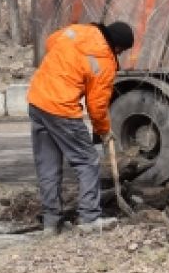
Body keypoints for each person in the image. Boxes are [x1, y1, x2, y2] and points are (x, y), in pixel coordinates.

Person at [26, 20, 135, 235]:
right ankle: (89, 218)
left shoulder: (77, 31)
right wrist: (104, 131)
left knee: (48, 166)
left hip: (37, 101)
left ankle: (51, 222)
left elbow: (50, 42)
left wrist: (68, 67)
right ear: (118, 47)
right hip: (62, 109)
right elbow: (96, 106)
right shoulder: (105, 61)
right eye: (121, 51)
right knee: (87, 161)